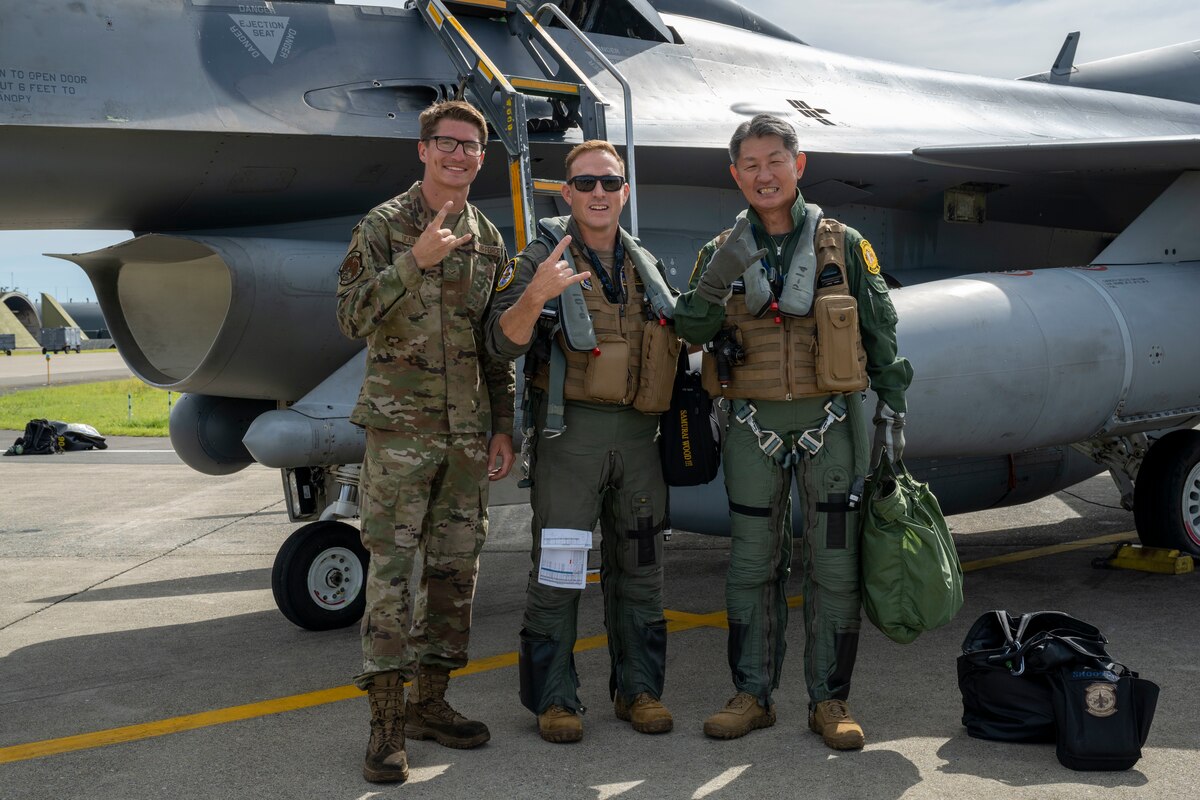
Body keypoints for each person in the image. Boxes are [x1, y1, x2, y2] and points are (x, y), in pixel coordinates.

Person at [674, 114, 913, 749]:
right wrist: (715, 275)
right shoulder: (718, 251)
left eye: (774, 160)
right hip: (752, 428)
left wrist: (893, 411)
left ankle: (830, 701)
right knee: (751, 565)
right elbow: (692, 333)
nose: (763, 174)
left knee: (835, 567)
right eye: (749, 165)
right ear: (735, 175)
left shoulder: (845, 244)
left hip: (832, 427)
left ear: (798, 164)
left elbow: (881, 334)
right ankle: (752, 694)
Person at [335, 99, 515, 783]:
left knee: (454, 574)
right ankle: (385, 724)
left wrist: (504, 426)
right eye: (446, 142)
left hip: (466, 436)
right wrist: (415, 259)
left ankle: (431, 703)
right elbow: (351, 316)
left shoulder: (488, 238)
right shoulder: (383, 227)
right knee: (389, 574)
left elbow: (492, 344)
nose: (459, 155)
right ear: (423, 150)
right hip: (400, 433)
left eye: (471, 146)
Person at [485, 140, 680, 744]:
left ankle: (639, 691)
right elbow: (499, 342)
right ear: (566, 193)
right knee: (561, 570)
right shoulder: (543, 257)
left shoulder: (645, 263)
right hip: (571, 439)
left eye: (610, 182)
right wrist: (537, 294)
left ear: (625, 191)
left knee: (642, 568)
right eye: (586, 183)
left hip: (640, 439)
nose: (599, 192)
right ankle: (555, 700)